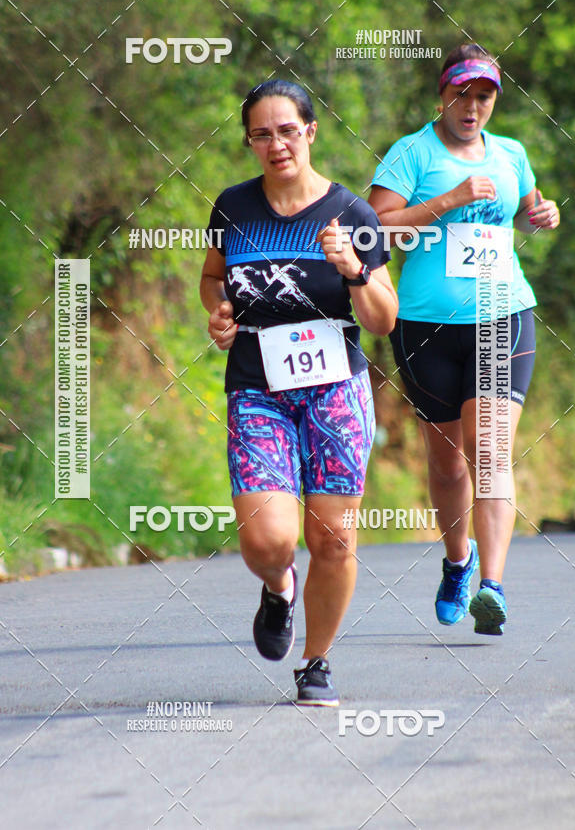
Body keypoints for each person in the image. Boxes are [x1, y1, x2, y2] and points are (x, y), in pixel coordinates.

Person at [200, 79, 397, 705]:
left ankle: (316, 662)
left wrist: (354, 269)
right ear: (250, 141)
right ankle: (279, 585)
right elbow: (212, 279)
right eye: (263, 133)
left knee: (332, 537)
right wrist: (218, 311)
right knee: (268, 540)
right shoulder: (234, 208)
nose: (277, 144)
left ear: (310, 132)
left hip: (335, 387)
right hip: (258, 384)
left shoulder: (353, 216)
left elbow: (382, 319)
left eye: (288, 130)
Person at [368, 44, 559, 636]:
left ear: (494, 101)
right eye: (462, 94)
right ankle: (457, 563)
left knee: (490, 446)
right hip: (426, 326)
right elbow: (373, 225)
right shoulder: (412, 152)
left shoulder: (512, 154)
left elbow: (521, 212)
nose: (472, 106)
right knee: (447, 463)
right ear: (442, 95)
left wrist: (540, 214)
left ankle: (492, 587)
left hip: (503, 315)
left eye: (484, 96)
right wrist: (449, 200)